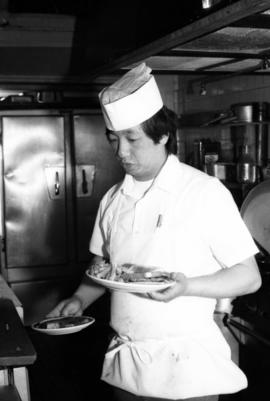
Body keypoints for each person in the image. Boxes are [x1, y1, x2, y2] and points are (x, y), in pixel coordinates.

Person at [48, 63, 262, 401]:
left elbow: (249, 278)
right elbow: (102, 269)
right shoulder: (113, 200)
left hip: (188, 370)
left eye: (132, 139)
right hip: (128, 367)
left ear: (162, 135)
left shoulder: (203, 192)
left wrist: (188, 286)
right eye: (113, 139)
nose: (120, 152)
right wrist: (79, 298)